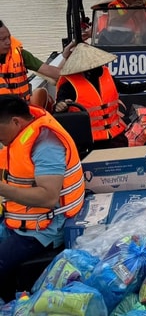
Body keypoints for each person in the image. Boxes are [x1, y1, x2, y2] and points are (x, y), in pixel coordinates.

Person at [0, 97, 86, 295]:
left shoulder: (46, 146)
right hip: (18, 217)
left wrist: (2, 189)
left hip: (44, 228)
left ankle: (9, 303)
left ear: (15, 122)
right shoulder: (17, 135)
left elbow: (48, 197)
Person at [54, 43, 146, 149]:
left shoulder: (107, 76)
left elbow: (128, 88)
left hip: (114, 135)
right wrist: (61, 105)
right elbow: (59, 104)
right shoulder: (68, 86)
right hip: (88, 140)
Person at [0, 20, 74, 108]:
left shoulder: (21, 54)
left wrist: (65, 56)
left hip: (22, 109)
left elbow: (54, 73)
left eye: (9, 37)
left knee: (41, 96)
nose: (8, 42)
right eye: (3, 39)